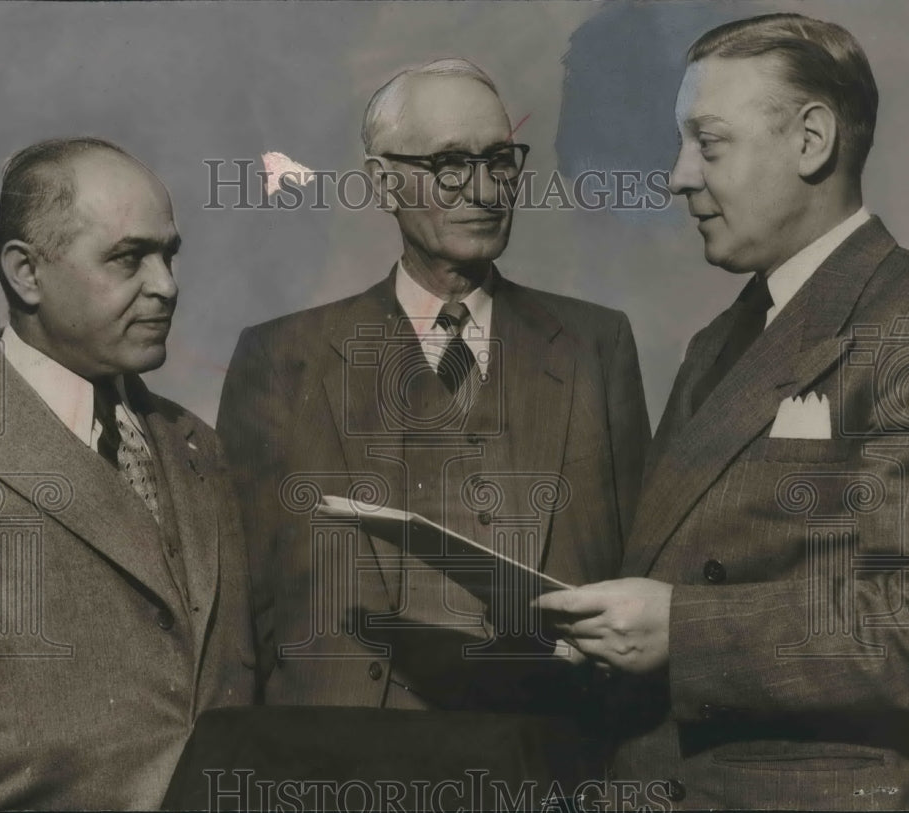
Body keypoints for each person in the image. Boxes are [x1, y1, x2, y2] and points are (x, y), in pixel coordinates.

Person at [539, 13, 909, 810]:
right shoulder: (717, 342)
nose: (678, 175)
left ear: (812, 140)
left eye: (708, 145)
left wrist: (684, 630)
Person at [217, 59, 650, 710]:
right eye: (449, 164)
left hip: (545, 764)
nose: (482, 189)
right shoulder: (282, 357)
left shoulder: (598, 344)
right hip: (339, 771)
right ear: (383, 182)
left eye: (500, 160)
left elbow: (640, 575)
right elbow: (236, 610)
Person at [0, 138, 256, 810]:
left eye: (169, 254)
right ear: (25, 272)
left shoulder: (199, 448)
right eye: (128, 257)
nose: (166, 283)